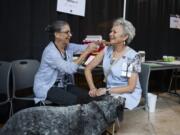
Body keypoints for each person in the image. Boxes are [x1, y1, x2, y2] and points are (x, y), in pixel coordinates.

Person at [33, 20, 98, 106]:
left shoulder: (68, 46)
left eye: (70, 32)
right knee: (75, 102)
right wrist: (86, 52)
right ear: (57, 34)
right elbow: (70, 69)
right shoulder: (50, 52)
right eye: (67, 32)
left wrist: (97, 44)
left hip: (64, 86)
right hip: (48, 87)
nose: (70, 35)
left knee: (88, 97)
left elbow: (84, 47)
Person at [84, 18, 142, 110]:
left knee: (99, 106)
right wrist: (93, 88)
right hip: (109, 92)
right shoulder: (107, 50)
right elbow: (88, 68)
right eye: (111, 31)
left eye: (114, 32)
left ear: (125, 37)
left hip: (127, 95)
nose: (110, 34)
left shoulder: (132, 57)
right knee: (86, 100)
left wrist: (106, 91)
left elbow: (130, 88)